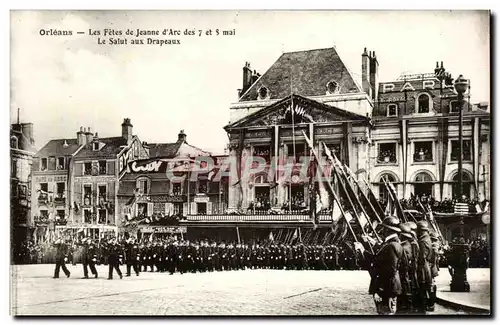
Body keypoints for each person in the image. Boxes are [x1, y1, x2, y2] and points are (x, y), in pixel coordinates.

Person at [368, 216, 403, 315]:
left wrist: (379, 289)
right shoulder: (395, 244)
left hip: (386, 288)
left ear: (387, 230)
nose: (382, 230)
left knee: (385, 313)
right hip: (390, 287)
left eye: (383, 228)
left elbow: (389, 271)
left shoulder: (390, 246)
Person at [416, 221, 433, 313]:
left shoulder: (423, 241)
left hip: (422, 267)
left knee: (422, 288)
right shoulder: (427, 238)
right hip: (426, 266)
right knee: (425, 288)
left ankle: (422, 310)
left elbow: (422, 257)